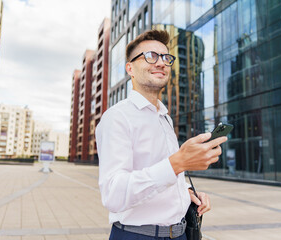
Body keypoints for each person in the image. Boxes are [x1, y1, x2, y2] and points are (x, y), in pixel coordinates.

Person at [95, 30, 227, 240]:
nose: (161, 63)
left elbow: (164, 174)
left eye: (166, 57)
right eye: (150, 56)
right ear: (130, 68)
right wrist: (177, 162)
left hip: (180, 233)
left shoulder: (164, 117)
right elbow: (113, 194)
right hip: (137, 235)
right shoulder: (117, 117)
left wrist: (187, 193)